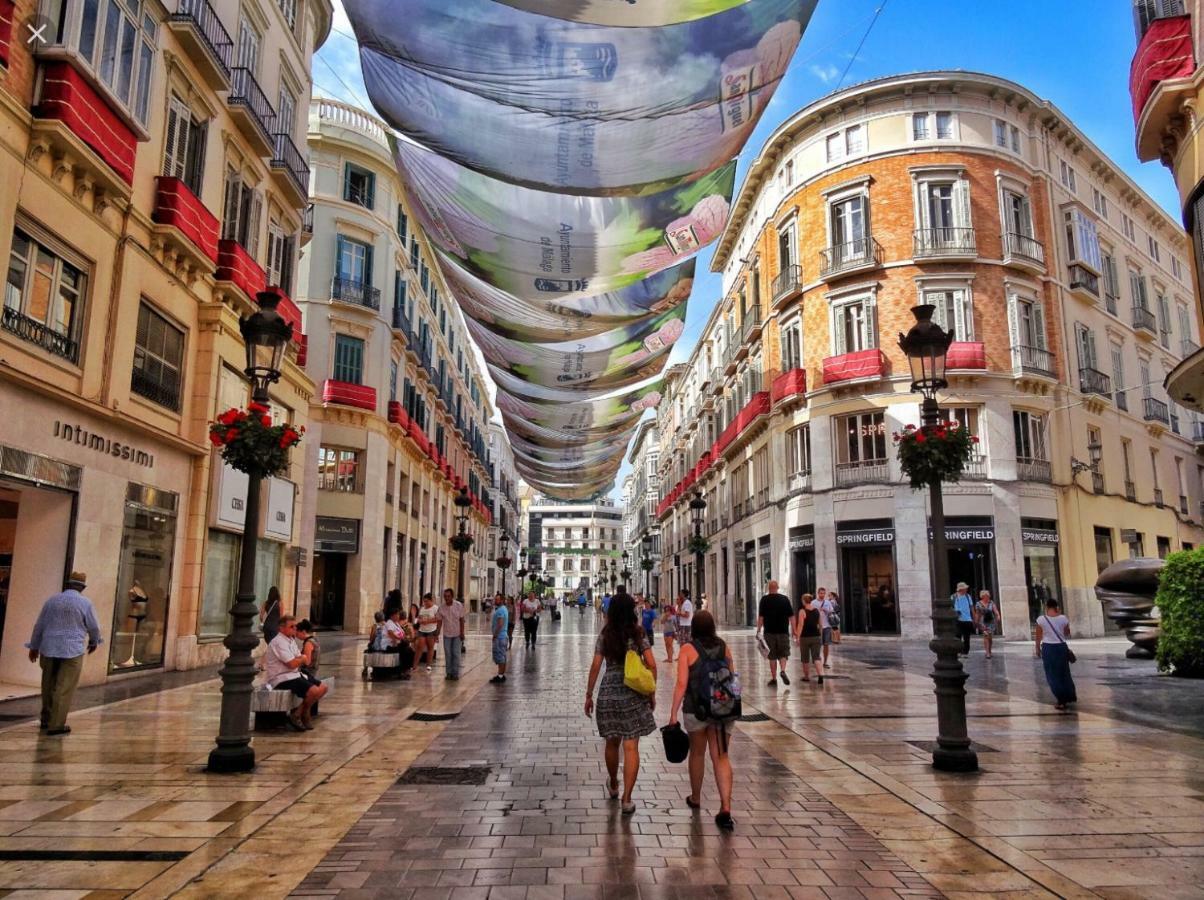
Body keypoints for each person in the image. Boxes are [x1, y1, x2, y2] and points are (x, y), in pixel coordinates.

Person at [584, 592, 657, 816]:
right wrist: (651, 693)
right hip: (633, 693)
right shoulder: (637, 634)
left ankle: (614, 784)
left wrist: (589, 694)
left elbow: (596, 665)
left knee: (611, 742)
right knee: (631, 746)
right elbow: (653, 665)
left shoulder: (606, 634)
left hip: (609, 693)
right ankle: (627, 799)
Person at [668, 610, 736, 830]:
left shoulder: (688, 649)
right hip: (722, 710)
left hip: (696, 710)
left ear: (694, 627)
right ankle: (725, 807)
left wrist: (672, 713)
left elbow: (681, 684)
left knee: (697, 753)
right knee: (722, 756)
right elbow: (732, 678)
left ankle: (696, 797)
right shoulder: (725, 647)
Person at [26, 572, 102, 736]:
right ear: (82, 587)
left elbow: (39, 625)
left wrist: (34, 647)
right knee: (64, 687)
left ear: (67, 585)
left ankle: (45, 719)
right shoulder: (85, 603)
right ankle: (56, 724)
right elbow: (94, 627)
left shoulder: (52, 601)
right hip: (72, 650)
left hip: (49, 647)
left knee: (48, 685)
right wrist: (94, 642)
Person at [265, 615, 327, 730]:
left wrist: (300, 659)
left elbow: (301, 658)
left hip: (295, 674)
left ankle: (299, 713)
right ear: (281, 628)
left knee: (323, 688)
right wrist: (300, 659)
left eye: (295, 626)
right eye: (291, 626)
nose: (294, 629)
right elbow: (292, 663)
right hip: (282, 677)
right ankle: (302, 715)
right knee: (313, 691)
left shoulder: (291, 640)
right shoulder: (278, 642)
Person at [1035, 601, 1077, 711]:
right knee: (1064, 673)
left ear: (1047, 607)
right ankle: (1068, 696)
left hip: (1048, 648)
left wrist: (1037, 649)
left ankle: (1061, 699)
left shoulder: (1041, 620)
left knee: (1052, 674)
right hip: (1061, 647)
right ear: (1056, 607)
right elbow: (1067, 633)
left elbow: (1038, 636)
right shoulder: (1063, 618)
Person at [756, 580, 794, 687]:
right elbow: (791, 616)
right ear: (777, 587)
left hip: (769, 632)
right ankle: (782, 670)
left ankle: (774, 678)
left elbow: (761, 617)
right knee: (783, 654)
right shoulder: (784, 599)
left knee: (771, 656)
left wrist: (759, 630)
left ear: (769, 588)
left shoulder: (764, 600)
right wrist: (795, 630)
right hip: (783, 632)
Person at [794, 593, 824, 684]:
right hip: (816, 636)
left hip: (805, 637)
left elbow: (800, 625)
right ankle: (821, 675)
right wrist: (820, 635)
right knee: (816, 657)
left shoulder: (802, 611)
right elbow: (820, 624)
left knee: (805, 658)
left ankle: (806, 677)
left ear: (803, 601)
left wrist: (797, 637)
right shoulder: (817, 611)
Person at [438, 587, 467, 680]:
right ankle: (449, 673)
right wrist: (437, 633)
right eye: (445, 596)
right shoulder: (441, 607)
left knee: (456, 653)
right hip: (447, 634)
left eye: (448, 596)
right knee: (448, 654)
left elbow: (462, 620)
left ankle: (455, 673)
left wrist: (462, 632)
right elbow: (439, 621)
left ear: (452, 596)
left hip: (457, 634)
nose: (447, 598)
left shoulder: (458, 605)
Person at [415, 592, 440, 671]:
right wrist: (419, 621)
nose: (425, 603)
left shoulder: (435, 608)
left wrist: (428, 621)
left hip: (431, 630)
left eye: (426, 601)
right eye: (424, 601)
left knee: (430, 647)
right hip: (422, 630)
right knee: (419, 647)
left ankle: (428, 665)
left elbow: (437, 619)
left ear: (431, 600)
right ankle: (415, 665)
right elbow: (419, 617)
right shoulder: (422, 608)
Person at [490, 593, 509, 684]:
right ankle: (501, 675)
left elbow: (500, 624)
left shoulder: (500, 610)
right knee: (503, 656)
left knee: (500, 657)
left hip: (500, 637)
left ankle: (500, 676)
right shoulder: (504, 609)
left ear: (501, 600)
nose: (495, 601)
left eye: (497, 599)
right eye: (495, 599)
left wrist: (495, 635)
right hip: (503, 636)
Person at [974, 590, 999, 659]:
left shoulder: (991, 603)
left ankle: (989, 650)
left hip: (991, 621)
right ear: (982, 596)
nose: (987, 597)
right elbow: (977, 613)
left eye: (988, 596)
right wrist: (976, 621)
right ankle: (987, 652)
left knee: (990, 637)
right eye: (985, 596)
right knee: (986, 636)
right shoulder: (978, 604)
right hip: (983, 622)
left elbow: (995, 610)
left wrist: (998, 616)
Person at [952, 582, 974, 655]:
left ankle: (965, 652)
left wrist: (974, 617)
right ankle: (958, 651)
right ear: (961, 589)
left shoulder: (968, 596)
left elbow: (971, 608)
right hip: (957, 620)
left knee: (966, 638)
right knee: (957, 636)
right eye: (965, 588)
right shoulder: (953, 597)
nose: (966, 590)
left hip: (967, 620)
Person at [660, 596, 678, 663]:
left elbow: (676, 625)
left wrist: (676, 632)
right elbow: (662, 622)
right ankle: (668, 657)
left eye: (668, 610)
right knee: (666, 645)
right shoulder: (664, 616)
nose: (667, 611)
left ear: (670, 610)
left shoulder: (673, 617)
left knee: (670, 645)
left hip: (671, 632)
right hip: (665, 632)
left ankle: (670, 658)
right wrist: (665, 616)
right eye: (666, 610)